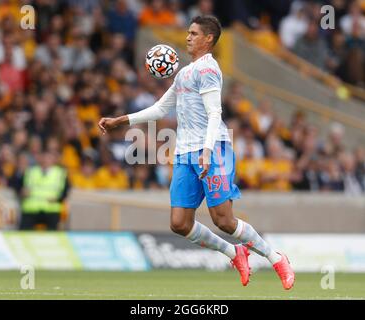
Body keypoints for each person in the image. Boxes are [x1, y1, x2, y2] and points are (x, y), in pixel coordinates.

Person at [98, 15, 295, 289]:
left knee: (224, 220)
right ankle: (234, 253)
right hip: (184, 154)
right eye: (188, 32)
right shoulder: (184, 73)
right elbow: (160, 109)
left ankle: (276, 258)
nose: (188, 37)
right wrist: (121, 120)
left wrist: (206, 150)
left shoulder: (209, 70)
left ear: (208, 39)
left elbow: (215, 112)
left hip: (212, 150)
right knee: (179, 223)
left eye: (193, 33)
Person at [18, 150, 70, 230]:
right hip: (31, 208)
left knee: (53, 231)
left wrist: (58, 199)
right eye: (44, 157)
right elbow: (19, 186)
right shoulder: (30, 172)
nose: (46, 160)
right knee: (24, 228)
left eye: (49, 158)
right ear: (40, 158)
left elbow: (65, 193)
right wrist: (22, 192)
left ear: (54, 159)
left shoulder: (61, 174)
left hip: (51, 209)